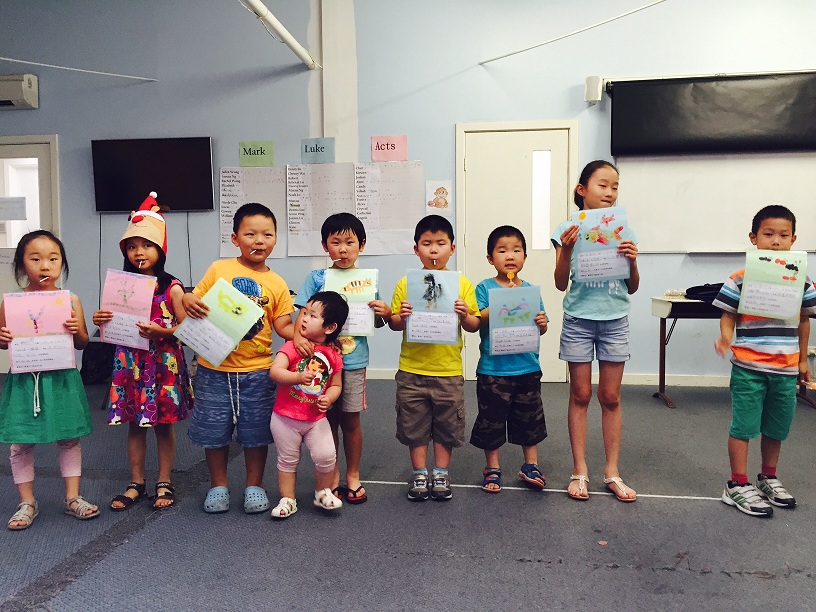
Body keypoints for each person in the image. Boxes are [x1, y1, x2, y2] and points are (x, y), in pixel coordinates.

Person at [183, 203, 295, 514]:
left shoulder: (277, 283)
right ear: (235, 238)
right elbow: (195, 299)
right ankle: (218, 485)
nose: (259, 241)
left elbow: (282, 325)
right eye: (250, 234)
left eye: (267, 234)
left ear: (276, 239)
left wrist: (303, 333)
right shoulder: (219, 269)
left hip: (257, 371)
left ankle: (254, 486)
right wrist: (188, 297)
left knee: (255, 433)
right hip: (213, 368)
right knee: (213, 431)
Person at [92, 193, 193, 511]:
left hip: (162, 363)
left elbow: (187, 328)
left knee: (163, 425)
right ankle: (136, 482)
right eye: (132, 246)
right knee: (135, 424)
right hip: (131, 363)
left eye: (147, 245)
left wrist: (163, 332)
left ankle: (164, 480)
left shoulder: (171, 287)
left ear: (160, 249)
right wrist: (100, 319)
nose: (139, 252)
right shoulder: (122, 284)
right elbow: (112, 321)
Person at [713, 205, 816, 517]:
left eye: (783, 235)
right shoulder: (740, 278)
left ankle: (768, 477)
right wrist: (726, 337)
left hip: (785, 369)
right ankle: (737, 483)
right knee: (744, 425)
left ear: (793, 240)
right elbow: (728, 315)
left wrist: (802, 360)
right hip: (749, 368)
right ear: (753, 238)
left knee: (777, 427)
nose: (776, 241)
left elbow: (804, 320)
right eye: (768, 234)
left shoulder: (800, 279)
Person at [551, 160, 639, 502]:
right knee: (580, 394)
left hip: (615, 319)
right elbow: (560, 283)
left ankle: (612, 472)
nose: (610, 192)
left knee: (611, 397)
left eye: (615, 186)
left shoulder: (624, 229)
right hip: (578, 318)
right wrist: (567, 249)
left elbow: (632, 286)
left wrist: (632, 261)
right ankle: (580, 470)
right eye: (603, 185)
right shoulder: (566, 229)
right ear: (582, 189)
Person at [0, 230, 99, 529]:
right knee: (20, 442)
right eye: (35, 259)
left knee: (69, 438)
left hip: (62, 379)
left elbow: (83, 343)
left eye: (53, 259)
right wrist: (2, 338)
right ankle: (27, 502)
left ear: (62, 264)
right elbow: (4, 342)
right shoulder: (11, 302)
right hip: (25, 381)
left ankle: (72, 497)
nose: (45, 265)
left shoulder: (71, 300)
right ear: (21, 264)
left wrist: (76, 330)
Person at [293, 212, 391, 505]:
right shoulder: (317, 278)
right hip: (320, 363)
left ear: (362, 245)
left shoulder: (367, 281)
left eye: (350, 242)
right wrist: (298, 338)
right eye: (336, 242)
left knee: (350, 420)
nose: (343, 249)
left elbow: (376, 323)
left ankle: (353, 474)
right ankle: (332, 474)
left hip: (353, 361)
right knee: (325, 420)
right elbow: (303, 314)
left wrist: (384, 313)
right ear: (325, 246)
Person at [389, 214, 481, 501]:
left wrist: (464, 314)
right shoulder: (406, 284)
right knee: (414, 424)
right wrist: (401, 316)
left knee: (446, 424)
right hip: (412, 369)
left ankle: (440, 473)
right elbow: (393, 323)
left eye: (440, 243)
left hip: (448, 370)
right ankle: (419, 473)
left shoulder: (461, 285)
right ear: (416, 249)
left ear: (452, 248)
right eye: (426, 243)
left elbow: (474, 325)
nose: (433, 250)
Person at [470, 226, 549, 493]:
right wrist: (503, 302)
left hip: (527, 367)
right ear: (490, 258)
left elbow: (542, 327)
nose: (510, 255)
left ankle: (531, 465)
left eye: (516, 250)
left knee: (530, 419)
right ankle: (492, 468)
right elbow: (477, 319)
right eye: (502, 251)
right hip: (494, 370)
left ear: (525, 256)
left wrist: (541, 322)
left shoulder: (530, 291)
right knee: (491, 420)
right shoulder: (484, 288)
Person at [268, 291, 348, 519]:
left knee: (326, 455)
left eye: (313, 316)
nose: (303, 318)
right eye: (304, 312)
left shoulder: (333, 355)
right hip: (285, 417)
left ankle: (322, 492)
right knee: (287, 460)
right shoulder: (292, 346)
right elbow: (275, 372)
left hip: (315, 419)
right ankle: (288, 499)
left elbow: (336, 384)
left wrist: (329, 398)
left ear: (330, 328)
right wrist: (297, 377)